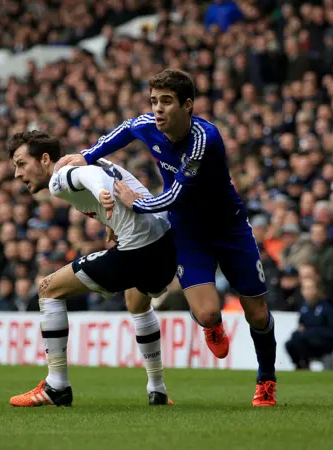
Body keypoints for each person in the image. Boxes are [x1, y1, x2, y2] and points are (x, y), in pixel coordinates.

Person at [55, 69, 277, 406]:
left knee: (257, 315)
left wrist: (137, 202)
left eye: (167, 102)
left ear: (187, 106)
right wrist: (88, 155)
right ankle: (212, 326)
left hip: (229, 229)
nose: (158, 109)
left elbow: (176, 195)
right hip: (189, 234)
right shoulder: (148, 124)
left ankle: (266, 380)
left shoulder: (205, 139)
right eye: (154, 101)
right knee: (207, 315)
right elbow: (126, 129)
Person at [7, 131, 177, 407]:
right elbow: (118, 182)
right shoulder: (95, 158)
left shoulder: (61, 176)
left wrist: (101, 192)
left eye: (21, 163)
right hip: (166, 248)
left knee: (48, 290)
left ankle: (56, 386)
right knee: (137, 303)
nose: (17, 173)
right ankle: (157, 389)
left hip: (138, 251)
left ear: (45, 159)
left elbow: (86, 177)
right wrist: (112, 224)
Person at [285, 276, 333, 370]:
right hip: (307, 339)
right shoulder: (304, 308)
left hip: (323, 342)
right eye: (305, 288)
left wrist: (311, 332)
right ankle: (300, 366)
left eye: (310, 288)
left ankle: (305, 365)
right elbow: (301, 325)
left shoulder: (327, 308)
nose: (307, 291)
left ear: (317, 290)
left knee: (301, 341)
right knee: (290, 343)